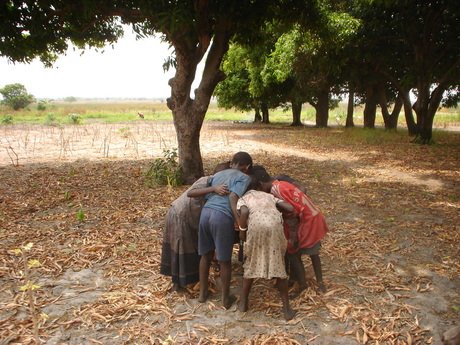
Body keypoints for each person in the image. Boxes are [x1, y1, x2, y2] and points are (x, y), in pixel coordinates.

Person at [254, 169, 329, 294]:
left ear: (261, 184)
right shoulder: (282, 183)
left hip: (306, 222)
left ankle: (303, 287)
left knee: (294, 255)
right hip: (312, 217)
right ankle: (315, 282)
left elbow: (292, 211)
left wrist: (293, 236)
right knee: (312, 253)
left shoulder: (275, 191)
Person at [160, 162, 230, 293]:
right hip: (180, 215)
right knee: (182, 250)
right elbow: (191, 193)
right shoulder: (206, 180)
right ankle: (179, 285)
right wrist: (213, 189)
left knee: (185, 250)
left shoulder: (222, 187)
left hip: (187, 218)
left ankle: (184, 283)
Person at [196, 151, 253, 309]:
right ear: (247, 166)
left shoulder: (218, 174)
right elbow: (233, 197)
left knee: (205, 255)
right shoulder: (244, 177)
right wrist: (239, 223)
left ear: (231, 163)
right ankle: (225, 298)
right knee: (224, 260)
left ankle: (202, 294)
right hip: (221, 217)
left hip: (205, 213)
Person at [237, 176, 297, 320]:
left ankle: (244, 303)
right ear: (260, 186)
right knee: (278, 264)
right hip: (275, 227)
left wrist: (242, 231)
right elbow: (290, 208)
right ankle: (287, 309)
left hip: (256, 228)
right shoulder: (269, 196)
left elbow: (244, 213)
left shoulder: (244, 198)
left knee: (251, 263)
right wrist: (276, 207)